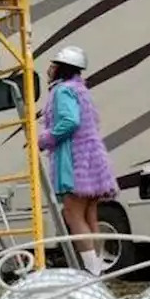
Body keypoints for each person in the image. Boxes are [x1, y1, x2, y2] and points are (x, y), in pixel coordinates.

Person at [38, 46, 118, 276]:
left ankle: (92, 272)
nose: (49, 69)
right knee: (90, 215)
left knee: (73, 214)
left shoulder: (62, 91)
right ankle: (99, 268)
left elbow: (69, 122)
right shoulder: (81, 90)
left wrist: (44, 139)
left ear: (60, 68)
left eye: (53, 65)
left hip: (74, 159)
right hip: (93, 158)